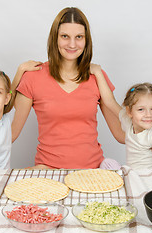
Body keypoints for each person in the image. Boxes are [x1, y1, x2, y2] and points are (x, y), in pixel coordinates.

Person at [11, 7, 124, 170]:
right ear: (55, 38)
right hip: (48, 171)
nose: (72, 44)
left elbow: (120, 134)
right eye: (65, 36)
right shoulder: (33, 77)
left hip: (93, 172)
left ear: (86, 40)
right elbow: (11, 133)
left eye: (79, 37)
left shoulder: (97, 76)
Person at [91, 64, 152, 184]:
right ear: (129, 111)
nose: (148, 114)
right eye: (141, 109)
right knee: (108, 165)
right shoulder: (128, 120)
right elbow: (109, 101)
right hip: (136, 177)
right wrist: (98, 73)